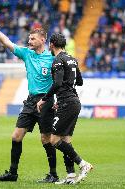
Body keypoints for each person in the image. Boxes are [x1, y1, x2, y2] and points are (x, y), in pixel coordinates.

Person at [0, 14, 59, 182]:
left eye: (32, 39)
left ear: (42, 40)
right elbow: (7, 43)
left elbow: (59, 82)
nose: (29, 41)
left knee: (45, 139)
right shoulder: (27, 54)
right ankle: (13, 173)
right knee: (16, 136)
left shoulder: (53, 59)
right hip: (31, 100)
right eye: (29, 38)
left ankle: (53, 174)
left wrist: (57, 101)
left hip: (46, 101)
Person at [37, 33, 93, 184]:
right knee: (66, 140)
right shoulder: (72, 59)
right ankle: (70, 176)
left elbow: (57, 83)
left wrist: (44, 99)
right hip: (74, 101)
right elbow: (79, 81)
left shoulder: (58, 60)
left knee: (54, 140)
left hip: (67, 102)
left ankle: (83, 164)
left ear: (52, 45)